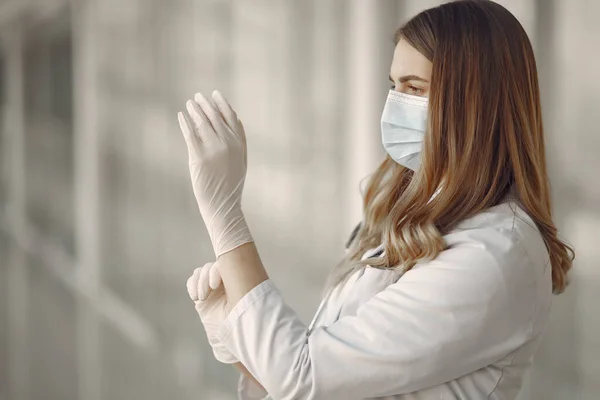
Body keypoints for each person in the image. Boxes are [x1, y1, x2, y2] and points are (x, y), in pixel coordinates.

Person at [177, 1, 575, 399]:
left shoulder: (493, 254)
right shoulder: (421, 217)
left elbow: (304, 376)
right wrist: (236, 338)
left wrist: (225, 217)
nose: (395, 103)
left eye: (414, 88)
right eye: (393, 85)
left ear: (475, 101)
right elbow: (326, 380)